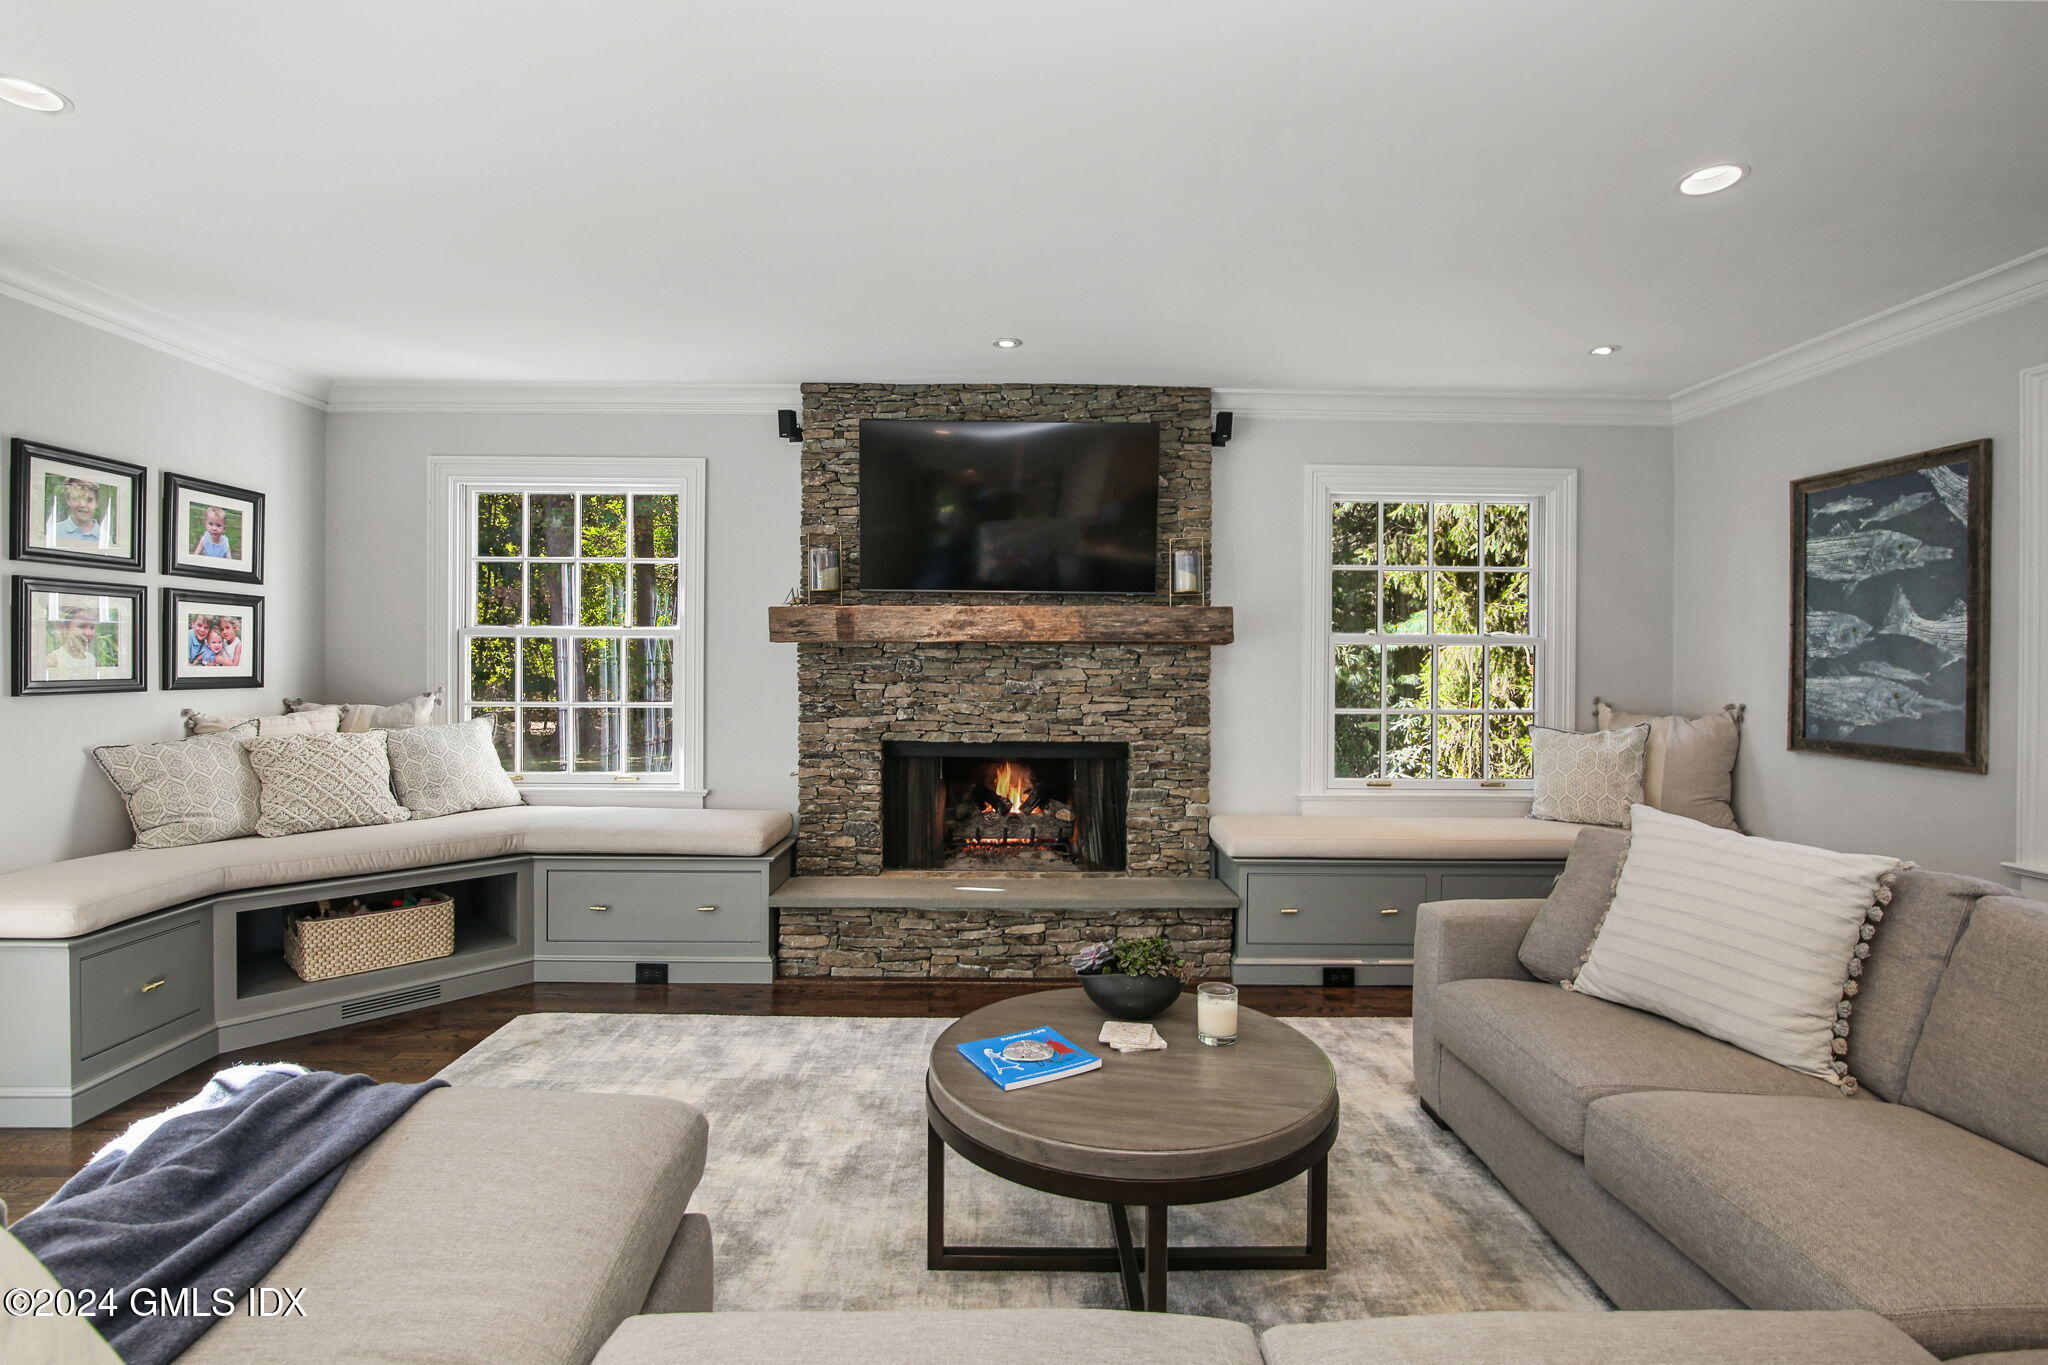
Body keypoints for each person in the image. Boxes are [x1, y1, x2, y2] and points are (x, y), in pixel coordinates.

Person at [43, 609, 101, 680]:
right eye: (81, 626)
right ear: (66, 628)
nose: (89, 633)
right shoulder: (52, 660)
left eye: (92, 627)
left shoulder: (92, 659)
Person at [51, 479, 104, 547]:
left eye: (89, 499)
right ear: (68, 500)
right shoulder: (56, 531)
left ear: (97, 503)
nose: (82, 505)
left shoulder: (104, 537)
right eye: (77, 498)